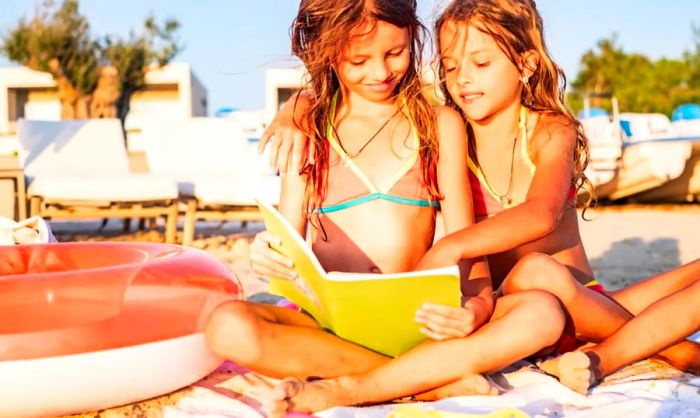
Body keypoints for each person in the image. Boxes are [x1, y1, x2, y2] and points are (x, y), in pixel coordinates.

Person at [258, 0, 700, 412]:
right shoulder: (452, 133)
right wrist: (297, 104)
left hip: (588, 304)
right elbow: (346, 92)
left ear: (526, 64)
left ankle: (629, 352)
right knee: (532, 276)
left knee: (544, 272)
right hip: (512, 307)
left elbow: (541, 214)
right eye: (449, 68)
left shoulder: (550, 130)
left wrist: (453, 248)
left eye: (481, 64)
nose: (463, 79)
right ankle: (666, 353)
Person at [206, 0, 566, 412]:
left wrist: (479, 307)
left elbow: (472, 253)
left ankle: (372, 382)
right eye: (358, 60)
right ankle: (423, 380)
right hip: (329, 325)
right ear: (325, 52)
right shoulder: (309, 129)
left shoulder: (440, 125)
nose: (380, 72)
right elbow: (284, 245)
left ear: (412, 36)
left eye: (395, 53)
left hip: (418, 322)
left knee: (541, 313)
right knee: (226, 325)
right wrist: (266, 255)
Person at [539, 259, 700, 394]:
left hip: (577, 301)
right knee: (539, 272)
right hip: (544, 311)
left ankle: (675, 350)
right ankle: (675, 350)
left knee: (540, 271)